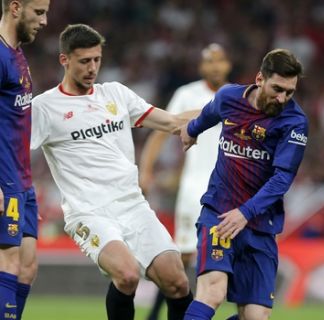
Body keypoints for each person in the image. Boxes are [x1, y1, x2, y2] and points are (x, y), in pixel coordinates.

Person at [30, 24, 193, 320]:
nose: (92, 68)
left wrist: (223, 111)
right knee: (127, 274)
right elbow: (11, 148)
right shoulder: (44, 108)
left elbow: (172, 123)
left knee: (178, 282)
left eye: (97, 59)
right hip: (89, 212)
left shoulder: (115, 94)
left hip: (132, 205)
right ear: (64, 60)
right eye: (84, 61)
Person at [180, 49, 308, 320]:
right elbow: (209, 113)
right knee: (212, 292)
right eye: (277, 89)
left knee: (256, 317)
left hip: (260, 225)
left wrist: (246, 213)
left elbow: (282, 179)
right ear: (260, 79)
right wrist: (191, 130)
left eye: (289, 92)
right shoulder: (229, 97)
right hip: (220, 213)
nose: (282, 98)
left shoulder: (294, 123)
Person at [139, 43, 231, 320]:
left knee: (228, 258)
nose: (214, 66)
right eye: (209, 61)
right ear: (202, 67)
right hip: (194, 188)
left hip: (229, 190)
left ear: (228, 65)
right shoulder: (187, 94)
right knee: (184, 257)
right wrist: (145, 170)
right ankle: (155, 315)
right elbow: (159, 131)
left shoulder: (237, 96)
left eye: (219, 61)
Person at [0, 1, 49, 319]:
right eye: (39, 12)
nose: (45, 21)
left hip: (23, 181)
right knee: (9, 262)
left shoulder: (17, 53)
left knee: (28, 266)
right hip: (4, 180)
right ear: (15, 8)